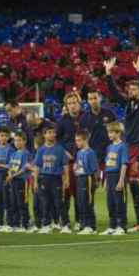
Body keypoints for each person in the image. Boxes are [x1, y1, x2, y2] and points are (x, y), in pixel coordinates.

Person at [104, 54, 139, 232]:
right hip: (127, 146)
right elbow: (115, 93)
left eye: (134, 89)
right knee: (124, 183)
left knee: (133, 182)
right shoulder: (128, 104)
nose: (131, 92)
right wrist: (108, 75)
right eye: (129, 89)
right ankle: (125, 220)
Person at [32, 125, 71, 234]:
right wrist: (35, 181)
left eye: (53, 132)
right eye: (49, 132)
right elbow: (37, 166)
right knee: (45, 203)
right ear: (44, 135)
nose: (52, 134)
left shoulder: (59, 149)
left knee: (59, 202)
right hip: (43, 178)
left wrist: (66, 179)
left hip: (56, 178)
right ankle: (46, 224)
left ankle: (65, 224)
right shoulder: (41, 150)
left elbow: (65, 165)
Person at [57, 91, 88, 227]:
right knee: (66, 190)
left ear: (79, 104)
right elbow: (56, 141)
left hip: (84, 160)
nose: (72, 106)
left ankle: (80, 219)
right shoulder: (62, 121)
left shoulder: (87, 118)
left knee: (80, 193)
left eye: (74, 103)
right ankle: (65, 220)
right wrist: (64, 152)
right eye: (69, 103)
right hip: (68, 162)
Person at [103, 122, 130, 236]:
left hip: (118, 175)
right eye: (108, 132)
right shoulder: (109, 147)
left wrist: (121, 180)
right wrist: (105, 180)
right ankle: (112, 225)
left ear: (118, 133)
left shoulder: (122, 146)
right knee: (110, 202)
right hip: (109, 176)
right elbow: (107, 164)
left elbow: (124, 164)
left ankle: (121, 226)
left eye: (111, 132)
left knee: (120, 202)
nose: (109, 134)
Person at [73, 130, 99, 235]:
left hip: (88, 179)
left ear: (85, 140)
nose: (77, 143)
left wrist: (95, 181)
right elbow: (78, 166)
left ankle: (91, 226)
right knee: (80, 202)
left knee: (87, 202)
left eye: (79, 140)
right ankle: (83, 224)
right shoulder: (79, 153)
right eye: (76, 140)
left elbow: (95, 169)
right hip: (79, 179)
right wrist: (75, 169)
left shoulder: (90, 153)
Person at [7, 132, 32, 233]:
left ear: (24, 141)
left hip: (22, 180)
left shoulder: (26, 153)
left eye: (19, 140)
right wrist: (9, 174)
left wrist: (12, 175)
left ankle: (26, 223)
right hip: (13, 181)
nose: (17, 143)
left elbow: (24, 168)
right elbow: (10, 166)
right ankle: (16, 223)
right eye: (15, 140)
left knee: (22, 202)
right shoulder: (13, 153)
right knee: (14, 203)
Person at [85, 89, 118, 167]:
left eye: (95, 98)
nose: (93, 101)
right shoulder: (84, 117)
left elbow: (117, 132)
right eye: (90, 99)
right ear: (88, 101)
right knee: (94, 178)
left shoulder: (109, 114)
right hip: (92, 153)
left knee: (110, 177)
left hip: (109, 152)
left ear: (100, 98)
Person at [0, 127, 13, 230]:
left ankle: (9, 222)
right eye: (1, 135)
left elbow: (11, 165)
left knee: (7, 199)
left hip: (6, 175)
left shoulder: (10, 149)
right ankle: (0, 222)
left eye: (5, 136)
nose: (3, 138)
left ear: (8, 137)